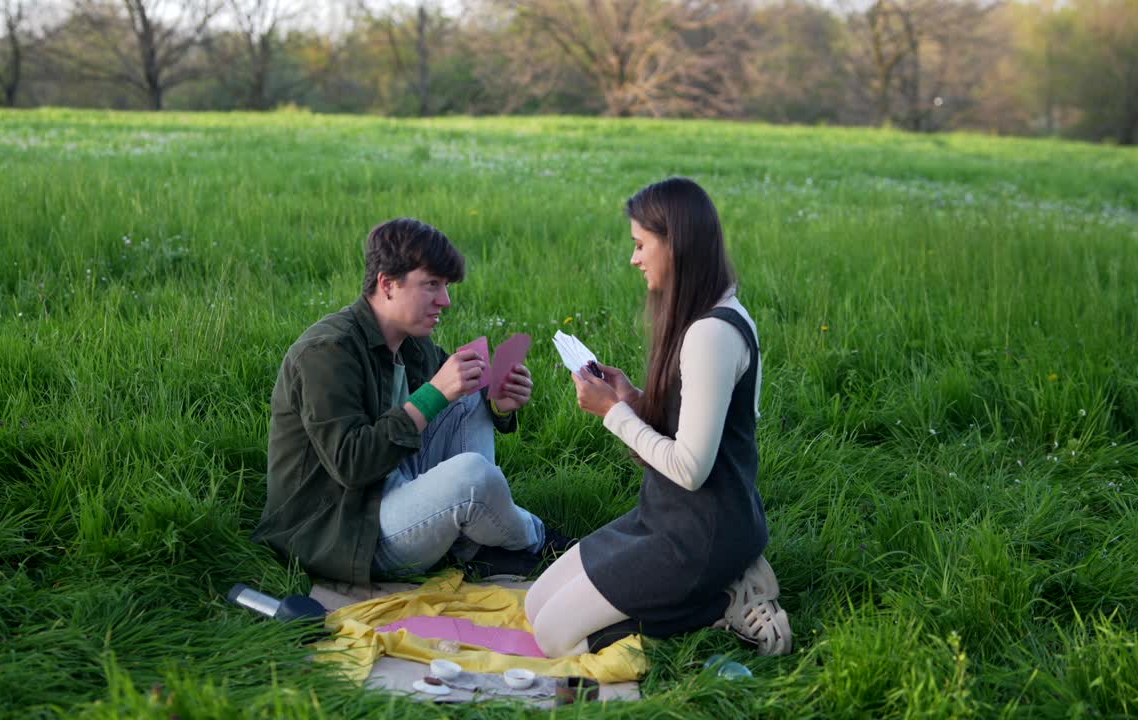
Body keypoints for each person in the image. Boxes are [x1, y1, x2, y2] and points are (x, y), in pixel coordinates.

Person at [525, 178, 793, 657]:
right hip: (664, 515)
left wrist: (614, 413)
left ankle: (723, 603)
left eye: (640, 244)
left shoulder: (712, 333)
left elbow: (691, 468)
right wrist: (636, 400)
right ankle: (715, 591)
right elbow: (700, 422)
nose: (634, 258)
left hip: (701, 535)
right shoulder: (705, 316)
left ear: (675, 244)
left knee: (555, 638)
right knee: (535, 605)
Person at [254, 217, 572, 585]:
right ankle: (541, 542)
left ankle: (476, 545)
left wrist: (500, 403)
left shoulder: (411, 341)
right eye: (431, 285)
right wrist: (434, 394)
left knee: (471, 395)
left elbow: (457, 408)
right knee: (472, 476)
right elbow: (352, 465)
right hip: (346, 532)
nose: (446, 300)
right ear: (387, 284)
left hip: (390, 490)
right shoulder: (326, 352)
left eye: (447, 286)